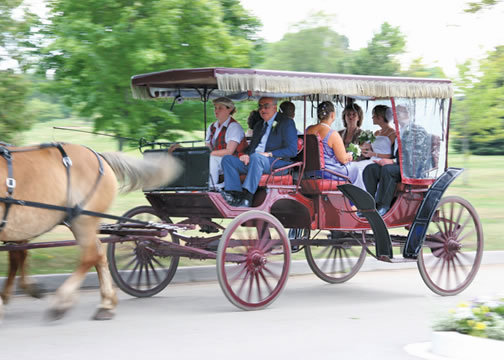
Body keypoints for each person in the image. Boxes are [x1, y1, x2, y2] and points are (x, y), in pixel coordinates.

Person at [220, 97, 298, 207]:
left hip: (276, 163)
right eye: (260, 106)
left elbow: (292, 150)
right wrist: (245, 155)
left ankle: (247, 198)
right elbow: (252, 147)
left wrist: (269, 154)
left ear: (274, 107)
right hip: (255, 162)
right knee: (227, 159)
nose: (262, 110)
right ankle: (235, 195)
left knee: (257, 158)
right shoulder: (259, 125)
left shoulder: (286, 123)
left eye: (266, 106)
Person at [362, 105, 432, 216]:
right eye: (395, 114)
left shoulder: (417, 131)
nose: (395, 117)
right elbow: (395, 154)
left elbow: (414, 158)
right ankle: (370, 205)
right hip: (400, 166)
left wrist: (392, 162)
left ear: (407, 114)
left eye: (398, 113)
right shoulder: (400, 131)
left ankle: (383, 205)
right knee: (370, 169)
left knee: (388, 170)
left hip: (412, 170)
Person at [306, 101, 359, 182]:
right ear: (332, 115)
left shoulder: (308, 130)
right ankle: (351, 193)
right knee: (354, 168)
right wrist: (349, 156)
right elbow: (343, 159)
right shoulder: (333, 134)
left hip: (309, 172)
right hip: (328, 173)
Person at [205, 97, 246, 190]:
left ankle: (211, 187)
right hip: (217, 159)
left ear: (229, 109)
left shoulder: (234, 127)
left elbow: (229, 151)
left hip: (233, 160)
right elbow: (207, 147)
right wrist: (205, 154)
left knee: (212, 159)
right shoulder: (212, 127)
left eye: (220, 108)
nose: (216, 111)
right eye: (215, 108)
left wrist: (208, 154)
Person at [352, 105, 395, 190]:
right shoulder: (377, 133)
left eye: (374, 115)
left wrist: (374, 154)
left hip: (380, 161)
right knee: (352, 165)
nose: (372, 117)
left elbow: (391, 156)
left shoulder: (392, 134)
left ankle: (363, 193)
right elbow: (367, 147)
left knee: (357, 168)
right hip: (371, 159)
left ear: (380, 117)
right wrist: (362, 148)